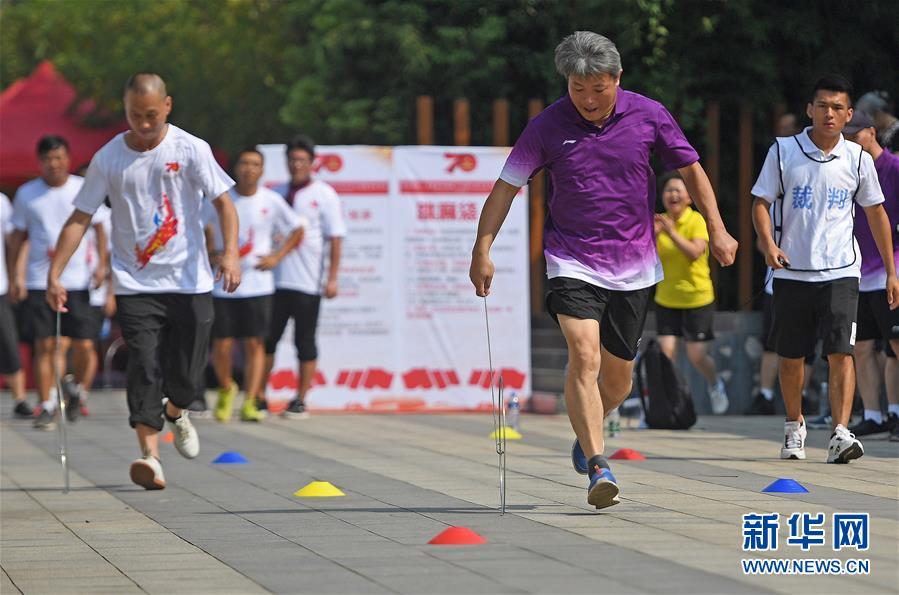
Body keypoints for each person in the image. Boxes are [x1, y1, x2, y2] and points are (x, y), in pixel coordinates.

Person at [469, 31, 737, 509]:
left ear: (617, 78)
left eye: (598, 88)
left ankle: (588, 424)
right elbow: (506, 189)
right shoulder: (547, 126)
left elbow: (692, 169)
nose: (588, 99)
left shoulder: (649, 114)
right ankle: (598, 465)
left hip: (633, 267)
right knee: (583, 355)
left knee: (617, 382)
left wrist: (717, 228)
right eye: (577, 88)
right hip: (570, 258)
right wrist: (481, 248)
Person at [47, 73, 241, 490]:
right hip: (134, 282)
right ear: (126, 111)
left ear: (167, 106)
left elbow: (225, 204)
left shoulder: (191, 149)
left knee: (188, 377)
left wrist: (231, 253)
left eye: (152, 115)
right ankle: (149, 456)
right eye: (135, 116)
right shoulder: (108, 158)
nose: (144, 124)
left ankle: (177, 411)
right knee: (144, 364)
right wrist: (55, 273)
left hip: (190, 281)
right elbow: (80, 216)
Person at [751, 74, 898, 464]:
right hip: (791, 270)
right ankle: (793, 424)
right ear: (810, 110)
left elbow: (876, 213)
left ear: (848, 114)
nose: (829, 114)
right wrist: (767, 243)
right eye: (823, 106)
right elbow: (761, 203)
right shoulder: (783, 151)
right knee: (791, 356)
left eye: (837, 108)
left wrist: (890, 271)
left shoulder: (857, 158)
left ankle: (840, 432)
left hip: (841, 271)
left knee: (841, 352)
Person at [8, 135, 107, 430]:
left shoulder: (82, 188)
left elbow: (100, 228)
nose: (54, 164)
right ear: (40, 162)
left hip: (78, 280)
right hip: (41, 280)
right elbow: (17, 237)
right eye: (48, 159)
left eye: (59, 157)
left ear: (68, 158)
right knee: (47, 344)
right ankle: (47, 402)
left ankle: (77, 388)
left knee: (84, 345)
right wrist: (16, 275)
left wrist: (102, 264)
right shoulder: (27, 194)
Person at [206, 149, 304, 423]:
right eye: (245, 163)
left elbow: (297, 228)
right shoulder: (222, 199)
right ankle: (226, 388)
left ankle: (252, 399)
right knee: (222, 345)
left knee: (255, 343)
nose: (249, 168)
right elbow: (200, 226)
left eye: (255, 164)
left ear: (262, 170)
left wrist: (276, 257)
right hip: (223, 284)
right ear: (235, 167)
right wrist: (212, 252)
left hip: (258, 285)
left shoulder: (271, 200)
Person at [263, 135, 346, 418]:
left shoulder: (324, 194)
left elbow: (335, 238)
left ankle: (300, 398)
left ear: (311, 163)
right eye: (292, 160)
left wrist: (331, 278)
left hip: (307, 281)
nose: (297, 165)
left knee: (305, 341)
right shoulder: (275, 192)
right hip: (273, 281)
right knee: (267, 339)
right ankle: (259, 395)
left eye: (302, 160)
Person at [842, 110, 899, 441]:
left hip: (890, 270)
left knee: (895, 344)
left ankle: (895, 411)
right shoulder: (848, 168)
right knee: (860, 348)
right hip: (855, 271)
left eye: (854, 133)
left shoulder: (892, 168)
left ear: (871, 132)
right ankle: (874, 415)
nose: (848, 139)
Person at [653, 172, 729, 414]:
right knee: (666, 356)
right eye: (668, 190)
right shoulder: (658, 222)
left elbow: (694, 252)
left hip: (697, 297)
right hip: (666, 298)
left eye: (678, 190)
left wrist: (671, 232)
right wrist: (651, 235)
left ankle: (715, 384)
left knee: (697, 355)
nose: (673, 194)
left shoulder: (696, 220)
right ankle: (671, 404)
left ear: (689, 197)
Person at [1, 192, 30, 417]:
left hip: (0, 286)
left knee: (8, 343)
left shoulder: (1, 201)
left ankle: (19, 399)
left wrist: (17, 276)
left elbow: (15, 242)